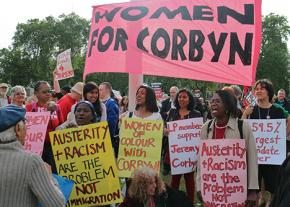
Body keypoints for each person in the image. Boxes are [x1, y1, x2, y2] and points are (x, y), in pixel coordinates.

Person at [197, 90, 259, 205]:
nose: (213, 104)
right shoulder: (205, 128)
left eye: (217, 101)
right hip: (213, 190)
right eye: (212, 101)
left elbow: (252, 159)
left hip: (236, 190)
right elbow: (201, 161)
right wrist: (199, 186)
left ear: (227, 105)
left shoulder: (243, 127)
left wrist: (252, 190)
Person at [0, 105, 65, 207]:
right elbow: (56, 204)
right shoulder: (31, 161)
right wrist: (49, 177)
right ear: (18, 129)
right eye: (25, 124)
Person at [242, 79, 287, 206]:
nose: (258, 91)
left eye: (262, 88)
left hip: (272, 157)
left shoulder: (277, 111)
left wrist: (282, 137)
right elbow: (242, 129)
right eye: (256, 89)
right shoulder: (251, 110)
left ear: (269, 92)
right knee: (254, 188)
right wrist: (245, 114)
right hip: (254, 156)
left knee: (274, 187)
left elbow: (281, 129)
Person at [164, 89, 201, 202]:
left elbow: (199, 132)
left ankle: (190, 202)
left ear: (190, 99)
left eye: (184, 97)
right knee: (174, 180)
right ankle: (172, 202)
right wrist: (165, 131)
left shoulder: (196, 114)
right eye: (179, 97)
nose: (181, 99)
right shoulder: (172, 112)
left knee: (189, 179)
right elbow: (166, 126)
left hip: (189, 152)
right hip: (176, 151)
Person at [26, 81, 64, 173]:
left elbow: (61, 125)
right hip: (37, 149)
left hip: (54, 148)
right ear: (36, 93)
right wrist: (46, 113)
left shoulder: (57, 107)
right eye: (44, 92)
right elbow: (28, 128)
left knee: (55, 173)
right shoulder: (29, 108)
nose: (48, 94)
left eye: (49, 91)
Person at [120, 167, 193, 207]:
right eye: (150, 183)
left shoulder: (163, 192)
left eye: (155, 182)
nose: (155, 185)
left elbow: (183, 200)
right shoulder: (132, 199)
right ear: (142, 185)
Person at [99, 82, 120, 155]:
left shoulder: (111, 103)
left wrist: (108, 140)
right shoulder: (101, 102)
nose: (98, 92)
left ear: (107, 90)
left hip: (106, 139)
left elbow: (112, 124)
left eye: (101, 90)